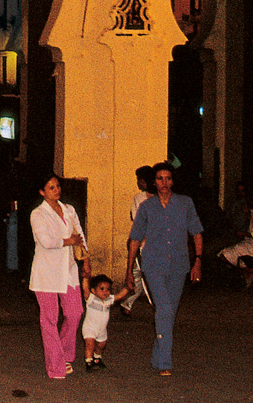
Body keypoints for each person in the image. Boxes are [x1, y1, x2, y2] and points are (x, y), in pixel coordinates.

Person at [125, 161, 204, 376]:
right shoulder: (146, 207)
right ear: (154, 182)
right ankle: (165, 362)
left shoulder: (185, 204)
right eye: (160, 179)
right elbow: (134, 240)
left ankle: (157, 355)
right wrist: (129, 271)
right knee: (165, 309)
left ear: (173, 181)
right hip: (153, 264)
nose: (164, 183)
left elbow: (196, 233)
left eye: (168, 178)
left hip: (179, 265)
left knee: (168, 311)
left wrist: (197, 261)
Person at [29, 174, 88, 379]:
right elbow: (46, 241)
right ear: (42, 192)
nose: (56, 190)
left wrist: (85, 262)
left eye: (58, 186)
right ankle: (55, 366)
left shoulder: (69, 210)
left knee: (75, 313)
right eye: (51, 187)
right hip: (46, 273)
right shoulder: (37, 214)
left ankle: (64, 353)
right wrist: (68, 241)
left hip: (69, 270)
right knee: (50, 319)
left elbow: (80, 236)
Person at [218, 190, 253, 288]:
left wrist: (244, 233)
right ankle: (245, 269)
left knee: (224, 255)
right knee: (224, 252)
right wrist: (248, 213)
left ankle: (247, 270)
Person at [121, 165, 155, 314]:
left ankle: (126, 303)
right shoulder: (139, 198)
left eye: (138, 180)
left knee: (140, 275)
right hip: (143, 245)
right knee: (142, 276)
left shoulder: (162, 198)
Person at [81, 273, 132, 370]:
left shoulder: (109, 299)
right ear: (94, 290)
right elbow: (85, 290)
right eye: (102, 289)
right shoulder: (91, 299)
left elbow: (119, 296)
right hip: (90, 328)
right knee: (90, 344)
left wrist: (127, 288)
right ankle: (89, 361)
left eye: (108, 289)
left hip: (102, 329)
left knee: (101, 345)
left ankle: (97, 358)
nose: (105, 292)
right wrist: (85, 279)